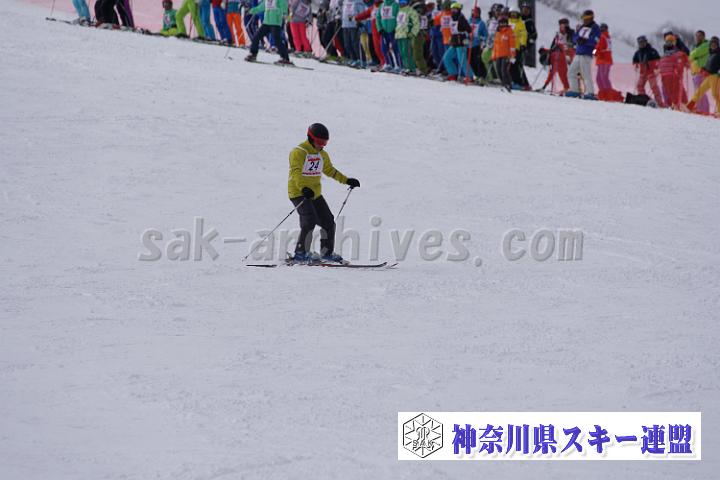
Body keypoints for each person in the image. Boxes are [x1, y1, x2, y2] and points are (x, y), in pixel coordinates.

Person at [288, 123, 361, 263]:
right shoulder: (299, 152)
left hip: (314, 193)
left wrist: (347, 180)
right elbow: (296, 173)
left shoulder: (322, 154)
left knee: (328, 221)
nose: (321, 146)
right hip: (299, 192)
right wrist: (303, 188)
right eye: (319, 142)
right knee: (309, 220)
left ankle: (326, 253)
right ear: (310, 138)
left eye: (324, 143)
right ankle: (301, 253)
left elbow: (330, 171)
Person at [245, 0, 292, 64]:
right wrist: (250, 11)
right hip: (266, 22)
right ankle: (253, 54)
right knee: (256, 37)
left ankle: (285, 58)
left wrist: (284, 13)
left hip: (275, 22)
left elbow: (283, 5)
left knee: (277, 41)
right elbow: (261, 7)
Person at [567, 9, 600, 99]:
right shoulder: (582, 27)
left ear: (590, 18)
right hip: (578, 53)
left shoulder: (595, 28)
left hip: (586, 54)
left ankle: (590, 93)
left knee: (585, 74)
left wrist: (586, 41)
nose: (584, 20)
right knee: (571, 72)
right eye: (583, 19)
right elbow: (575, 37)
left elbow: (596, 41)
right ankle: (574, 91)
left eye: (585, 19)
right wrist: (577, 39)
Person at [687, 36, 720, 115]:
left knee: (715, 94)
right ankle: (689, 106)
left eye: (715, 44)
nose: (713, 45)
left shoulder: (719, 54)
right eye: (712, 44)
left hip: (715, 77)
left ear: (718, 45)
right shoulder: (711, 53)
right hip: (709, 76)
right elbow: (708, 65)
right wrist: (703, 69)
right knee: (700, 91)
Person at [541, 18, 573, 93]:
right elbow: (553, 46)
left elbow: (570, 45)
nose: (562, 27)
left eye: (564, 24)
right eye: (560, 25)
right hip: (556, 56)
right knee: (552, 71)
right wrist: (546, 51)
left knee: (563, 72)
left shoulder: (570, 33)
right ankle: (545, 86)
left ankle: (567, 87)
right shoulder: (557, 35)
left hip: (564, 56)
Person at [442, 2, 471, 81]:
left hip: (461, 42)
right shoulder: (452, 18)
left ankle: (470, 76)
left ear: (459, 10)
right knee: (447, 57)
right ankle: (453, 73)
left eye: (455, 10)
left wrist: (466, 38)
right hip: (454, 42)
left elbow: (469, 29)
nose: (453, 11)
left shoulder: (461, 18)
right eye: (452, 10)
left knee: (462, 60)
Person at [658, 33, 689, 109]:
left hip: (673, 76)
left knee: (677, 91)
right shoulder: (666, 54)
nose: (669, 43)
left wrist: (685, 63)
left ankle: (681, 104)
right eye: (667, 42)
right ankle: (677, 105)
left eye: (671, 42)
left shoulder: (677, 53)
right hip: (668, 76)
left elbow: (685, 57)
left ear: (674, 42)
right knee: (672, 91)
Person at [633, 35, 664, 107]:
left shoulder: (652, 51)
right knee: (639, 86)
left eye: (643, 42)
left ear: (646, 42)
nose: (641, 44)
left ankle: (659, 103)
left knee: (654, 87)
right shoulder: (638, 53)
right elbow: (635, 60)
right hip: (642, 73)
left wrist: (657, 68)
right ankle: (644, 100)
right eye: (640, 42)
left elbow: (658, 60)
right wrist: (636, 64)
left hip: (651, 72)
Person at [689, 30, 711, 114]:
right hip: (695, 72)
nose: (698, 38)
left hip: (701, 71)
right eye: (696, 36)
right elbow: (691, 56)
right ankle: (699, 108)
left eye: (700, 36)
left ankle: (704, 109)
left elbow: (695, 54)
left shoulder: (706, 44)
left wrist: (692, 55)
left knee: (700, 91)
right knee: (697, 91)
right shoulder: (697, 46)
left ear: (703, 36)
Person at [395, 0, 420, 73]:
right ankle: (406, 66)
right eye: (401, 2)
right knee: (402, 53)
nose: (402, 4)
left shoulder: (411, 11)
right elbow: (398, 23)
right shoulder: (399, 11)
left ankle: (411, 68)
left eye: (404, 2)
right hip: (399, 35)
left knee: (407, 52)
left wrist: (412, 33)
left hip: (407, 35)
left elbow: (416, 23)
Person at [376, 0, 402, 71]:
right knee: (384, 49)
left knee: (396, 48)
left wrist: (397, 28)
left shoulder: (396, 5)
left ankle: (399, 65)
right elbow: (378, 17)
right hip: (384, 31)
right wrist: (380, 29)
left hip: (393, 31)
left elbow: (399, 17)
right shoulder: (382, 5)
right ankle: (389, 64)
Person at [491, 16, 515, 90]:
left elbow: (512, 45)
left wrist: (512, 55)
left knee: (504, 70)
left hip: (506, 55)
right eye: (501, 23)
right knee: (498, 70)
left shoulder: (509, 31)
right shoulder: (498, 32)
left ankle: (508, 84)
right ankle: (503, 84)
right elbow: (495, 45)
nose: (502, 25)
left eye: (504, 23)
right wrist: (493, 55)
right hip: (498, 55)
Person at [341, 0, 366, 66]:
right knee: (347, 44)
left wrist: (361, 22)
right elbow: (343, 12)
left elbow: (363, 13)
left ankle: (362, 60)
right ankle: (353, 58)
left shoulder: (358, 2)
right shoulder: (345, 1)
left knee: (355, 43)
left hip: (354, 25)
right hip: (345, 24)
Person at [507, 9, 528, 88]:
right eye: (512, 14)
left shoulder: (520, 23)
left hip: (516, 48)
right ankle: (511, 81)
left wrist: (523, 44)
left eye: (515, 14)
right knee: (507, 65)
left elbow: (523, 34)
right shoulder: (508, 22)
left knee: (514, 65)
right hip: (507, 47)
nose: (513, 16)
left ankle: (518, 82)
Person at [594, 23, 615, 99]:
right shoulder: (606, 37)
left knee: (602, 78)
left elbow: (598, 48)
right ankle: (604, 93)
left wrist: (593, 53)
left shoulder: (602, 37)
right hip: (603, 60)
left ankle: (608, 94)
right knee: (600, 78)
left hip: (604, 60)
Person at [468, 6, 487, 80]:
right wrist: (468, 35)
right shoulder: (469, 21)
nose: (475, 14)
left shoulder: (481, 23)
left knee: (478, 61)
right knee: (470, 61)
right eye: (474, 12)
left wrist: (479, 38)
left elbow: (485, 36)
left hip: (477, 45)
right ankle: (474, 75)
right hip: (469, 45)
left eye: (477, 13)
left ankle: (482, 75)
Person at [519, 0, 536, 68]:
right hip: (516, 44)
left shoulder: (530, 22)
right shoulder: (518, 19)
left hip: (525, 46)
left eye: (527, 9)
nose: (525, 11)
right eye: (524, 9)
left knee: (522, 63)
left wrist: (529, 41)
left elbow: (534, 34)